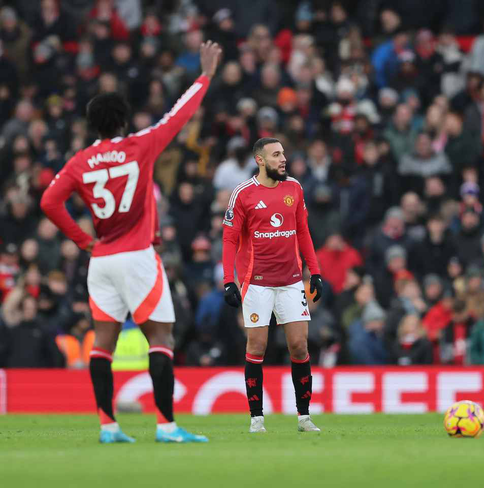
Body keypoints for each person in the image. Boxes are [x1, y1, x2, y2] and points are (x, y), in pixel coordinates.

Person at [40, 41, 224, 444]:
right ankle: (166, 426)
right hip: (137, 255)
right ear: (123, 122)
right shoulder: (140, 146)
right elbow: (179, 115)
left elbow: (49, 202)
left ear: (93, 124)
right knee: (161, 338)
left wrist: (84, 241)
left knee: (102, 345)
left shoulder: (79, 162)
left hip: (101, 260)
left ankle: (108, 427)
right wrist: (205, 76)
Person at [221, 137, 323, 434]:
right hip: (257, 284)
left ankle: (304, 417)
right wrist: (230, 280)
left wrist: (314, 271)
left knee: (299, 345)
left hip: (291, 281)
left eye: (283, 154)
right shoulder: (243, 194)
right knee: (257, 346)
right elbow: (229, 239)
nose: (283, 159)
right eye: (276, 154)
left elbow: (303, 230)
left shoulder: (294, 188)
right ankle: (256, 419)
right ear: (260, 160)